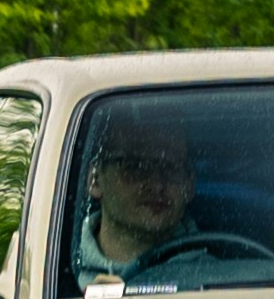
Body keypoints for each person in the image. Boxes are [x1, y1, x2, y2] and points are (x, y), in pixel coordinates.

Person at [72, 99, 202, 285]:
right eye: (135, 167)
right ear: (95, 180)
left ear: (189, 186)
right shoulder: (53, 272)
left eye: (171, 167)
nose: (157, 184)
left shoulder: (224, 281)